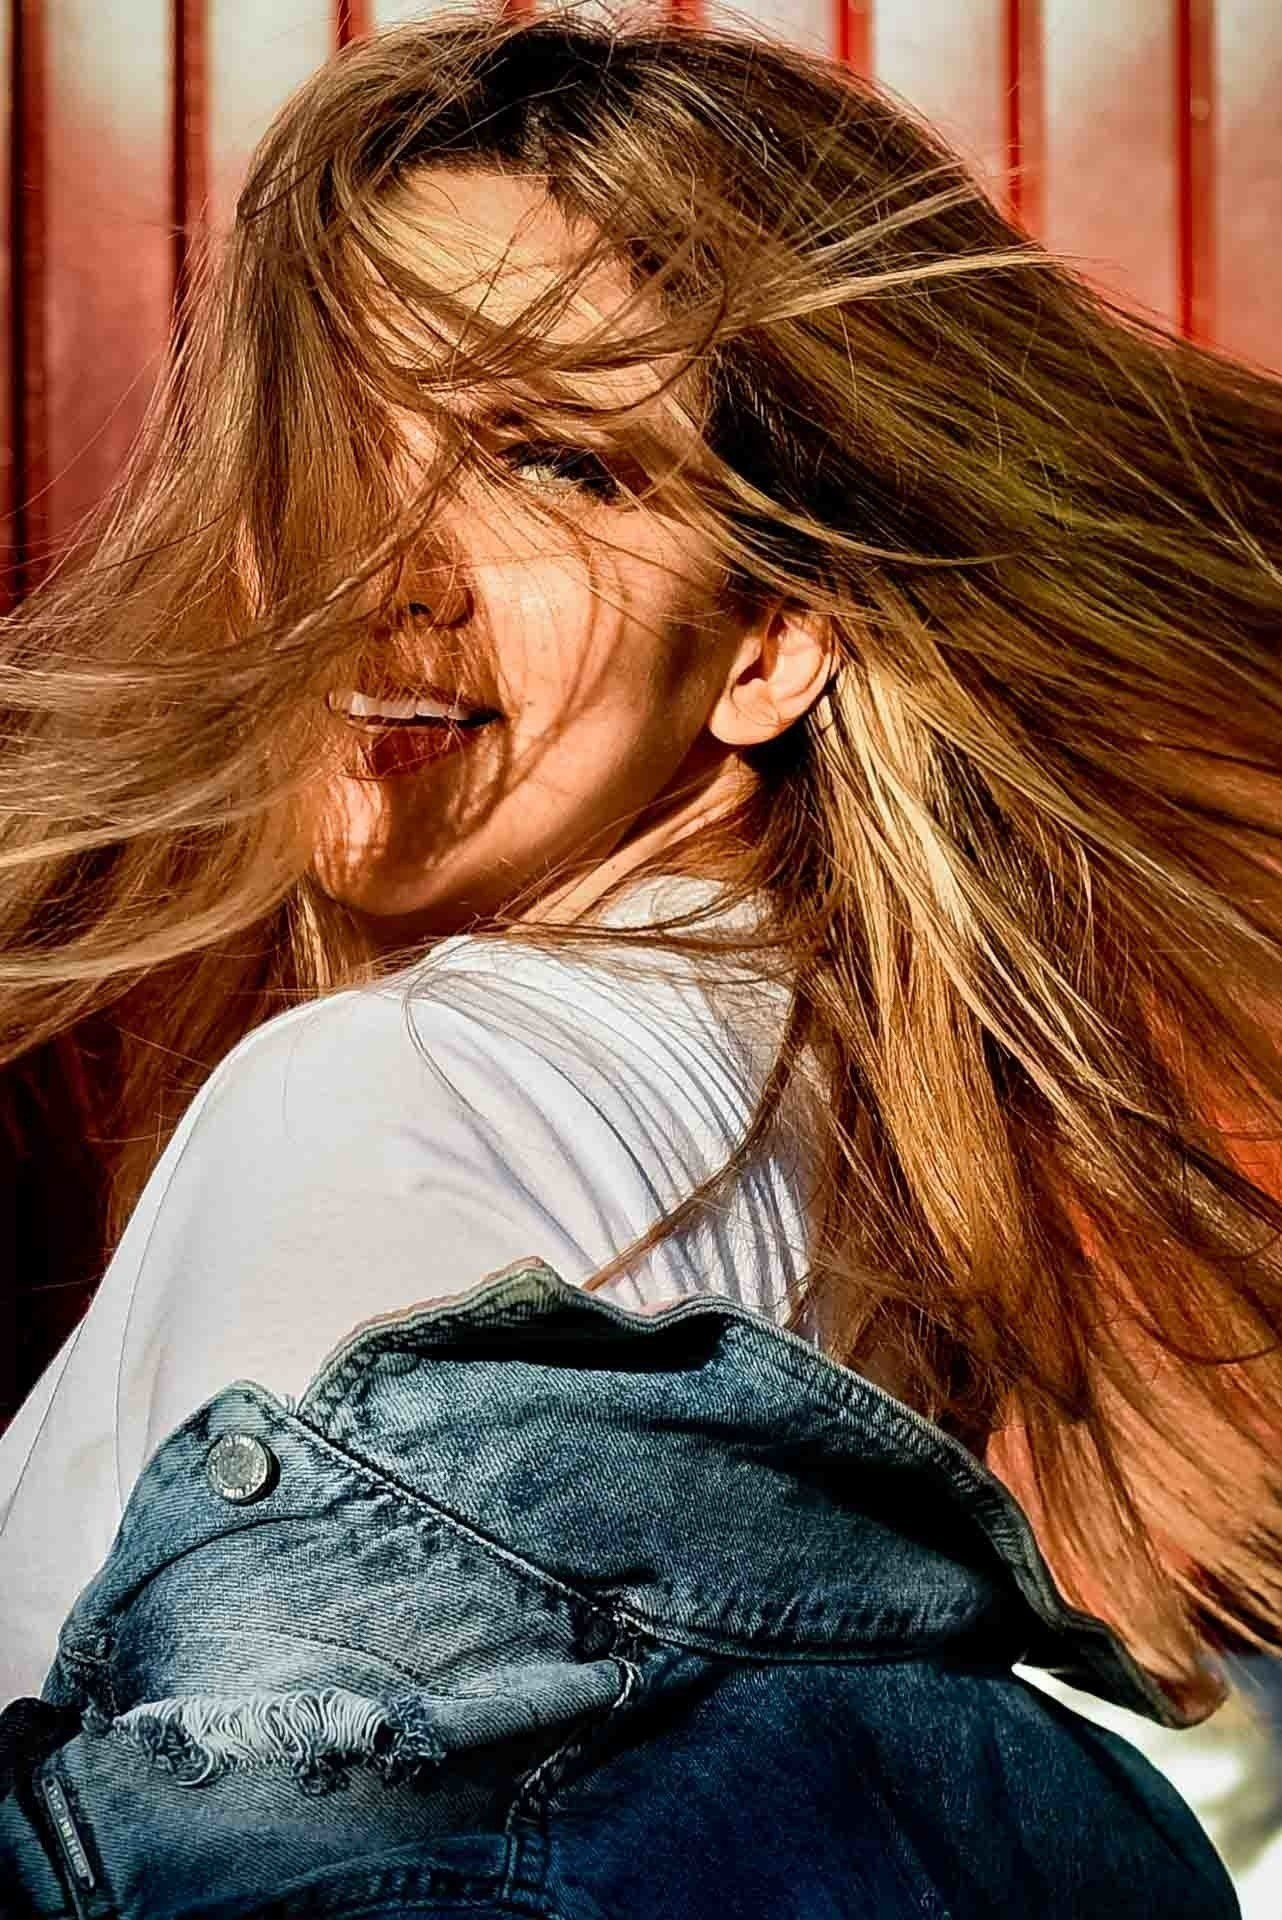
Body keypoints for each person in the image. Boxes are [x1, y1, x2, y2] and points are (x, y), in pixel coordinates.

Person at [0, 8, 1278, 1912]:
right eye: (331, 437)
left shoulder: (406, 1099)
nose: (379, 566)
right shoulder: (834, 1151)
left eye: (551, 463)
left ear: (773, 636)